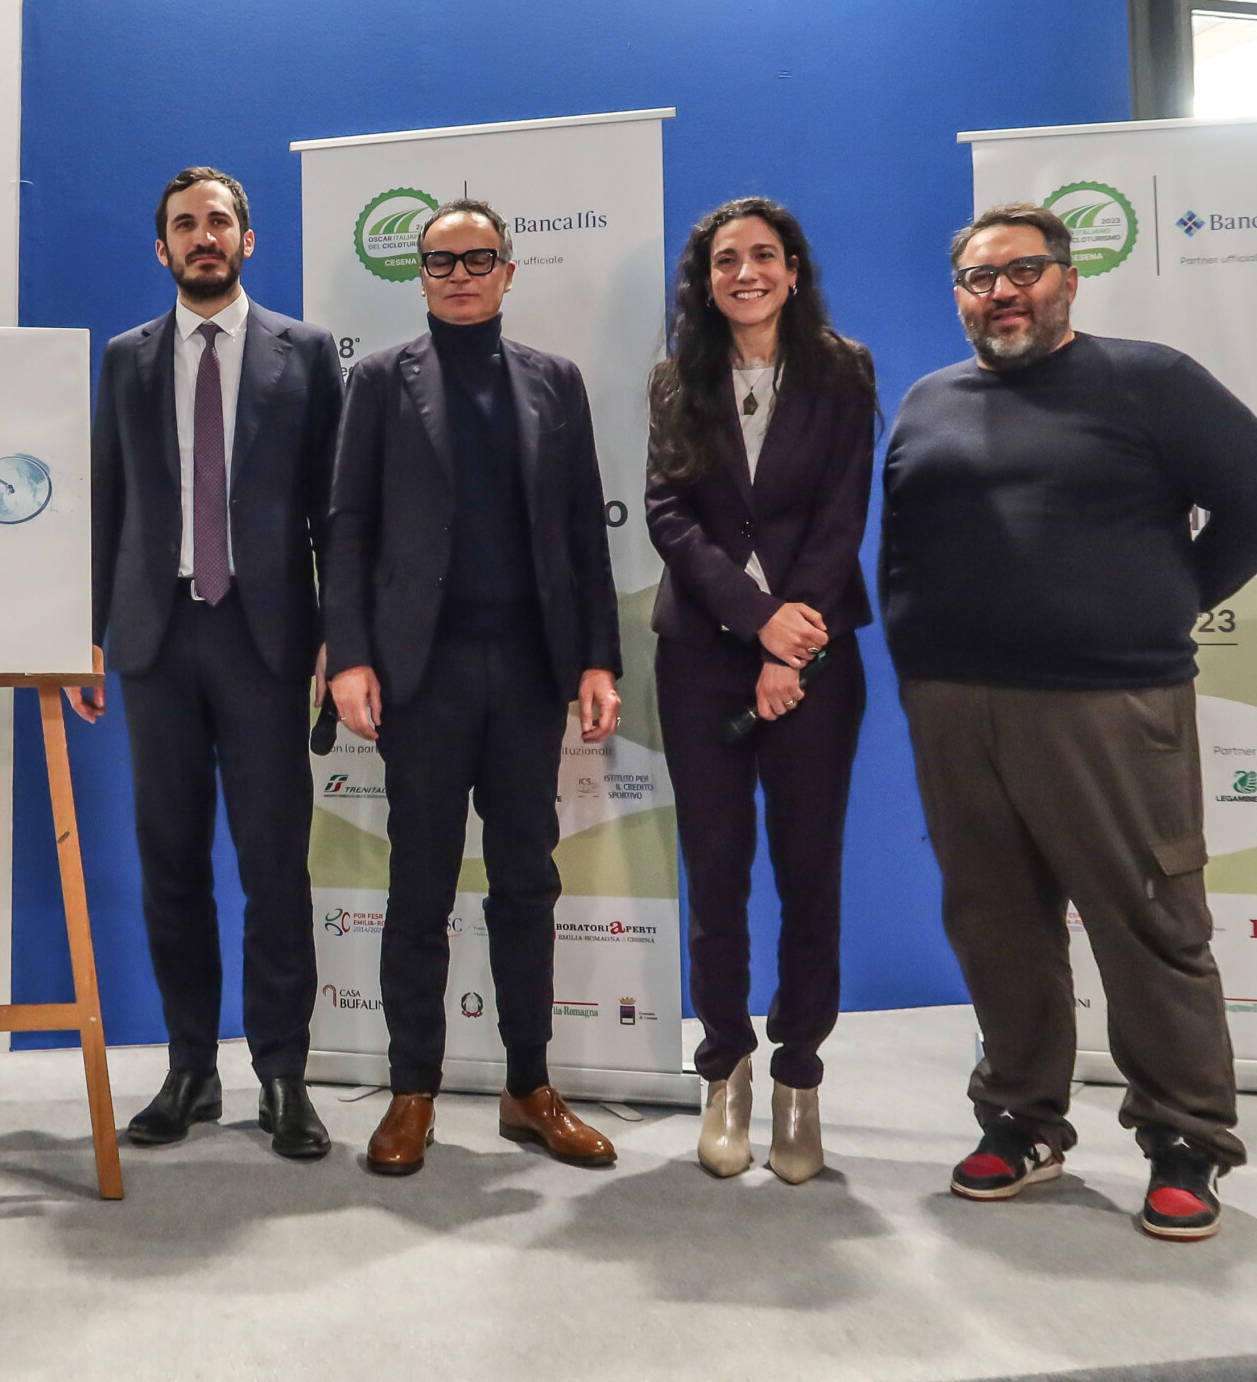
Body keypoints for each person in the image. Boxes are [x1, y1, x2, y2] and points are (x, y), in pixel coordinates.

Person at [881, 200, 1257, 1242]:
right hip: (955, 707)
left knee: (1147, 922)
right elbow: (902, 545)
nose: (1001, 293)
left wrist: (1164, 604)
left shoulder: (1150, 380)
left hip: (1109, 705)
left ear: (1067, 279)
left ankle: (1184, 1140)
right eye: (978, 278)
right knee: (995, 924)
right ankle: (1021, 1118)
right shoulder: (930, 400)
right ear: (959, 297)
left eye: (1021, 271)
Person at [324, 198, 624, 1176]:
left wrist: (597, 658)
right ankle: (412, 1091)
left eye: (478, 258)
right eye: (441, 260)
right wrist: (349, 655)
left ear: (508, 271)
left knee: (527, 881)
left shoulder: (555, 381)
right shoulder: (379, 379)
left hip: (529, 671)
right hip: (422, 675)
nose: (460, 274)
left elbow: (582, 527)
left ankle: (529, 1087)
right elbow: (349, 525)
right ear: (419, 275)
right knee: (420, 884)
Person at [66, 166, 345, 1160]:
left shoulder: (307, 353)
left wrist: (340, 636)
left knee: (274, 866)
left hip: (266, 640)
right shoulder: (125, 359)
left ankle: (282, 1074)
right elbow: (103, 499)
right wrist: (82, 632)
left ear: (246, 239)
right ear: (162, 248)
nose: (203, 237)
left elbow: (334, 511)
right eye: (184, 224)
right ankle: (191, 1069)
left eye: (219, 221)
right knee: (171, 864)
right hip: (156, 638)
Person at [643, 197, 877, 1186]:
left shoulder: (842, 368)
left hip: (815, 653)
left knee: (808, 870)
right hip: (701, 654)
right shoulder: (676, 377)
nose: (746, 272)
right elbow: (668, 514)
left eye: (764, 255)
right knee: (716, 871)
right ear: (704, 282)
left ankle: (798, 1078)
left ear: (792, 269)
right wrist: (754, 621)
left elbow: (842, 511)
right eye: (725, 259)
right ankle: (726, 1069)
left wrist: (791, 640)